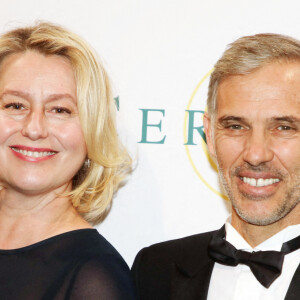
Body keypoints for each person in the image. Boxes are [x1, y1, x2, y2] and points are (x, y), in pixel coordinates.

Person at [132, 33, 300, 300]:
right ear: (209, 135)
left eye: (283, 127)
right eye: (235, 126)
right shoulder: (156, 269)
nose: (255, 154)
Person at [0, 22, 136, 299]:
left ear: (92, 132)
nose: (34, 128)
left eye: (60, 110)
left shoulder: (95, 277)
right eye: (15, 105)